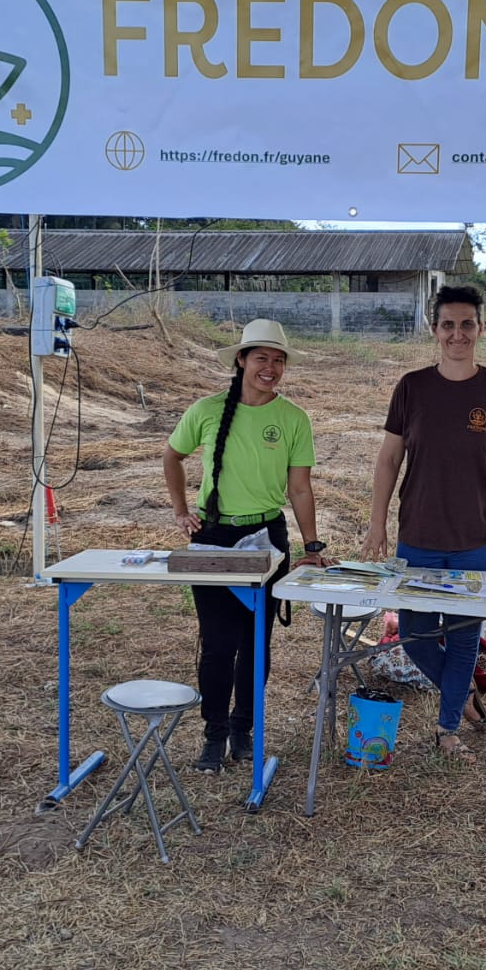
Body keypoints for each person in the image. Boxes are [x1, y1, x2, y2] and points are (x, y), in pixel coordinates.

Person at [363, 285, 486, 764]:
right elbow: (388, 459)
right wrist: (377, 525)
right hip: (417, 535)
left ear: (481, 328)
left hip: (477, 541)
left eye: (466, 324)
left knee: (463, 637)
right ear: (434, 329)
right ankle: (462, 699)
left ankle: (447, 729)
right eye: (448, 325)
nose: (457, 334)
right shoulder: (412, 387)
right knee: (417, 634)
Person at [163, 318, 329, 774]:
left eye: (278, 360)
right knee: (218, 644)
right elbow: (172, 456)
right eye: (261, 358)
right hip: (213, 537)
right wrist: (181, 510)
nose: (270, 368)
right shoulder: (207, 409)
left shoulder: (293, 418)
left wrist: (311, 544)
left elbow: (299, 488)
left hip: (266, 538)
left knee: (256, 642)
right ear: (241, 360)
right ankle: (213, 735)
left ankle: (244, 730)